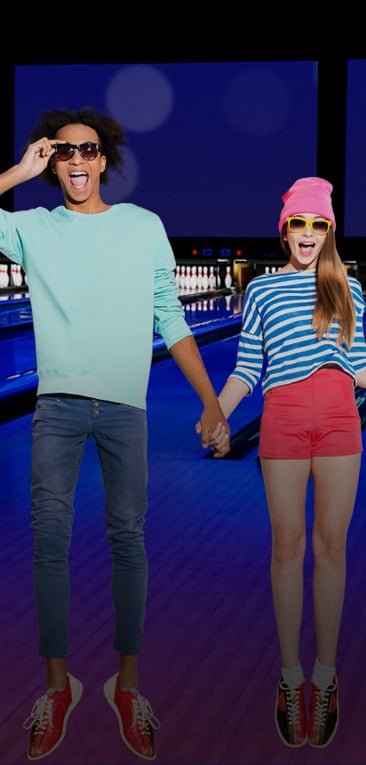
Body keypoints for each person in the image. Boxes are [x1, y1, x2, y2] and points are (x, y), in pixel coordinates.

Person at [0, 107, 230, 761]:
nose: (76, 160)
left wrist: (213, 401)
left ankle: (126, 685)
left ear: (105, 159)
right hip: (58, 408)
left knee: (128, 540)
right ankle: (57, 685)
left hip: (126, 409)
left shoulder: (143, 227)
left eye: (88, 150)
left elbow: (172, 319)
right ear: (53, 161)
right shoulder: (30, 229)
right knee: (51, 544)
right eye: (64, 151)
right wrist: (17, 171)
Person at [212, 177, 366, 748]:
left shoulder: (349, 290)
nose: (306, 234)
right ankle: (290, 678)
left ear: (328, 231)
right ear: (285, 230)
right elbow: (248, 368)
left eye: (317, 224)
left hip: (339, 421)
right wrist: (217, 412)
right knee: (287, 549)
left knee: (331, 549)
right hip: (281, 419)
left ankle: (325, 678)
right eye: (297, 224)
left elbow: (363, 367)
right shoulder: (262, 292)